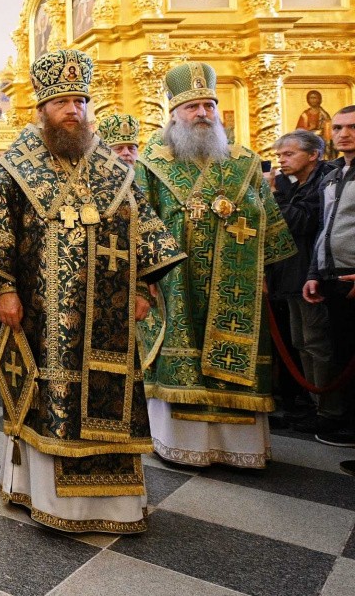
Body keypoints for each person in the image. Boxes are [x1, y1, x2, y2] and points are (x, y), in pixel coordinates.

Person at [0, 48, 184, 534]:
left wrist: (144, 286)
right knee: (47, 393)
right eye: (62, 101)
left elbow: (143, 224)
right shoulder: (16, 163)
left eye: (80, 101)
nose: (73, 110)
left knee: (113, 396)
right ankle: (44, 495)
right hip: (42, 309)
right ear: (42, 108)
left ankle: (116, 505)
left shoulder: (111, 164)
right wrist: (5, 289)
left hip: (109, 311)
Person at [134, 61, 295, 469]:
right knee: (179, 356)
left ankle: (241, 449)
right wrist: (143, 277)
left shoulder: (243, 161)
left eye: (209, 105)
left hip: (237, 281)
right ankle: (180, 444)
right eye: (193, 107)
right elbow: (138, 221)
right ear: (174, 114)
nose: (203, 113)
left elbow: (269, 219)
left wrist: (263, 271)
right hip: (174, 282)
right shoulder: (151, 161)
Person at [267, 130, 335, 433]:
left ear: (313, 155)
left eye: (289, 154)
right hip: (290, 276)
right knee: (301, 344)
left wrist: (274, 193)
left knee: (317, 343)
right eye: (279, 155)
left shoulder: (325, 182)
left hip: (311, 275)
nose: (281, 160)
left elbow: (299, 221)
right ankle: (312, 405)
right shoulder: (296, 184)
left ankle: (330, 410)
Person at [303, 104, 355, 448]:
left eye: (352, 127)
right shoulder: (333, 173)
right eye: (337, 128)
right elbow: (325, 228)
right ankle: (347, 424)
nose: (343, 134)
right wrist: (314, 273)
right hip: (332, 278)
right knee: (341, 354)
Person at [296, 90, 333, 157]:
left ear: (319, 99)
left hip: (322, 141)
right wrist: (309, 128)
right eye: (311, 98)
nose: (313, 100)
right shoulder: (305, 115)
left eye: (315, 98)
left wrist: (324, 130)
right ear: (308, 100)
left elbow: (329, 128)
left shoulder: (324, 114)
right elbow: (298, 131)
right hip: (309, 140)